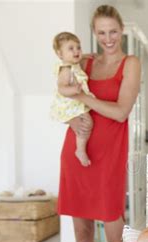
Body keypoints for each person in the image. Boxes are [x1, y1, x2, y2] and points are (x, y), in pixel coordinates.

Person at [57, 4, 141, 242]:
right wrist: (71, 120)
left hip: (109, 154)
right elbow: (63, 101)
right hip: (77, 150)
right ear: (94, 33)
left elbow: (120, 112)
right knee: (82, 234)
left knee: (115, 235)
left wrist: (82, 96)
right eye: (102, 33)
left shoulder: (130, 63)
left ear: (121, 30)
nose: (108, 39)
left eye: (113, 32)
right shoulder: (84, 61)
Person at [52, 32, 93, 167]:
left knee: (86, 123)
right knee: (87, 123)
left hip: (74, 103)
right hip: (69, 105)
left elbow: (78, 58)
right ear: (60, 54)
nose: (76, 51)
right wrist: (74, 90)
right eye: (71, 48)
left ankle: (80, 148)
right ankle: (80, 149)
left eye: (78, 47)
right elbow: (61, 88)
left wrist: (85, 56)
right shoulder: (66, 69)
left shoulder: (73, 64)